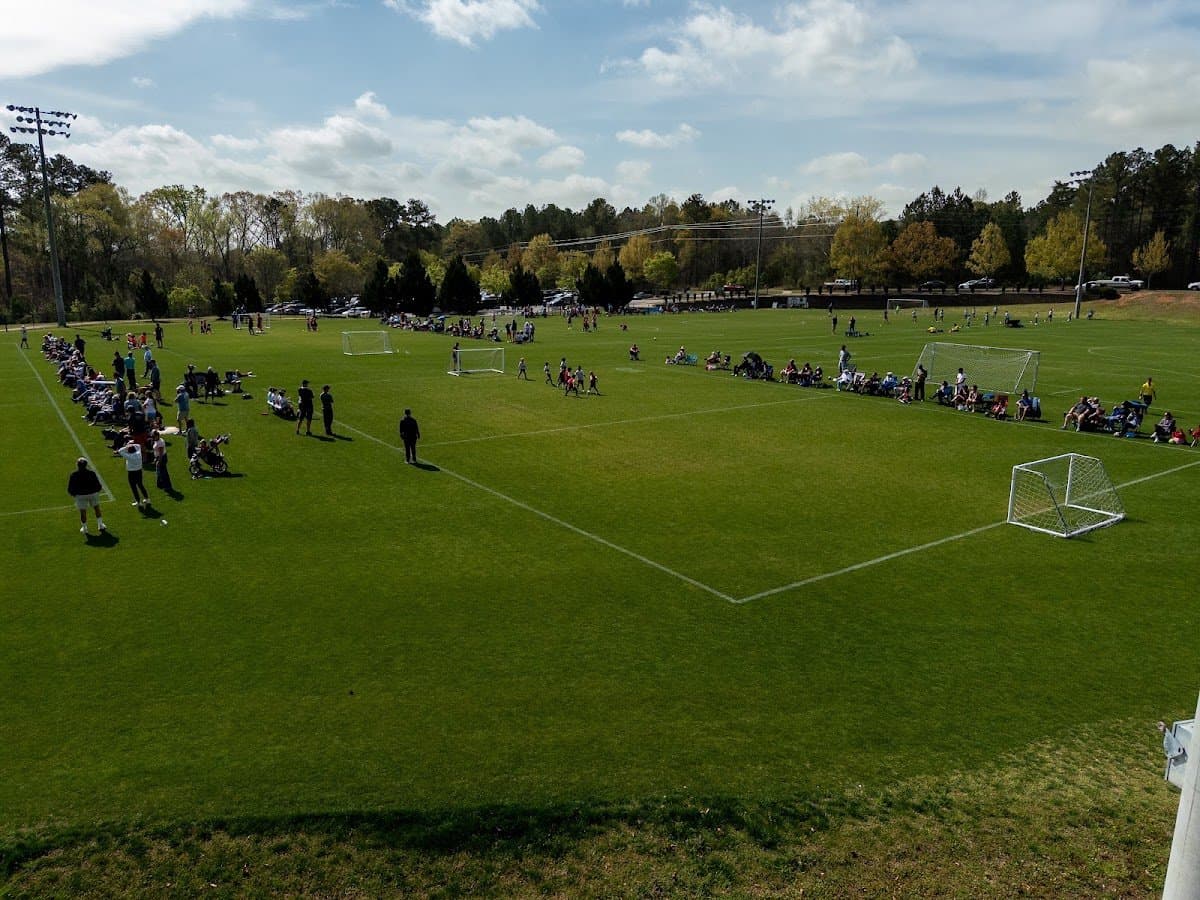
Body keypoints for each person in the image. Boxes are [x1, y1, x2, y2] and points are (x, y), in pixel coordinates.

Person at [68, 457, 106, 535]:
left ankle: (85, 528)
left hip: (80, 495)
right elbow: (98, 484)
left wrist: (73, 494)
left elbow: (70, 487)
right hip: (92, 494)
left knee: (83, 512)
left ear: (77, 465)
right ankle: (100, 525)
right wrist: (97, 490)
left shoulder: (74, 474)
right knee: (97, 508)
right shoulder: (91, 473)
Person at [114, 439, 150, 507]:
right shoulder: (138, 453)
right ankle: (147, 499)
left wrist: (127, 446)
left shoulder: (129, 456)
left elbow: (120, 450)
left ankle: (138, 502)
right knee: (140, 485)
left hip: (132, 473)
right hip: (139, 471)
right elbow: (138, 445)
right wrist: (131, 444)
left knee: (133, 487)